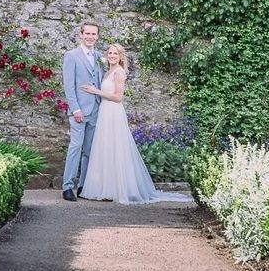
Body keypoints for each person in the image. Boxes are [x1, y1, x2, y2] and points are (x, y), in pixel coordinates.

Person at [80, 44, 193, 205]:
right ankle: (105, 189)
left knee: (116, 149)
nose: (112, 55)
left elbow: (118, 97)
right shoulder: (108, 71)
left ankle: (119, 189)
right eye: (110, 53)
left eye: (115, 53)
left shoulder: (119, 72)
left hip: (113, 112)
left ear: (120, 56)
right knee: (106, 148)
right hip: (105, 112)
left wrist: (95, 91)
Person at [61, 22, 104, 202]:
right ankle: (67, 187)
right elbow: (69, 85)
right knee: (75, 147)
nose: (90, 37)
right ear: (81, 34)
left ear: (97, 37)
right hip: (79, 110)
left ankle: (83, 186)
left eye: (93, 34)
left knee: (89, 150)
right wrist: (75, 109)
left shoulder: (101, 56)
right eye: (87, 33)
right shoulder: (72, 56)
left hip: (96, 108)